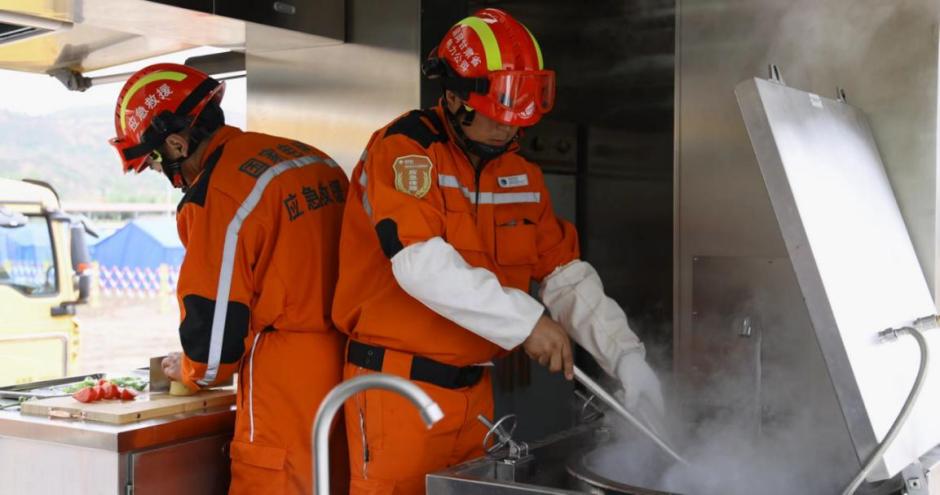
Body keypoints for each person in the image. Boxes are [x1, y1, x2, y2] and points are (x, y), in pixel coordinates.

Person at [332, 8, 664, 494]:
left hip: (476, 395)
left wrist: (627, 358)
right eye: (497, 116)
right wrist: (527, 322)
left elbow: (564, 275)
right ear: (453, 97)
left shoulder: (520, 175)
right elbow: (419, 263)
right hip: (398, 393)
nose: (508, 130)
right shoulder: (405, 152)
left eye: (517, 119)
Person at [109, 63, 349, 494]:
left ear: (177, 144)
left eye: (157, 162)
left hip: (286, 379)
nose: (165, 176)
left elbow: (213, 342)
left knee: (274, 479)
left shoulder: (217, 193)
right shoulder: (310, 158)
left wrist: (189, 368)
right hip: (349, 364)